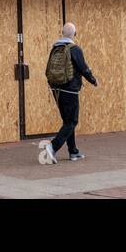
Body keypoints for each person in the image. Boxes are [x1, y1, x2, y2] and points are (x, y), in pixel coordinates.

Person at [44, 22, 97, 163]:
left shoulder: (55, 48)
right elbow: (83, 68)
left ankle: (73, 152)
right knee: (72, 121)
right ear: (75, 34)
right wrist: (93, 80)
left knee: (68, 121)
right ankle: (52, 147)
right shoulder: (75, 49)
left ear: (62, 33)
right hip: (70, 89)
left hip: (56, 89)